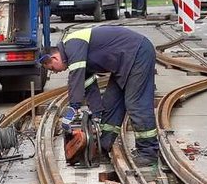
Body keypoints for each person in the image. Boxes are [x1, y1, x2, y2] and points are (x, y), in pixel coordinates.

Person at [39, 25, 159, 167]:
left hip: (138, 53)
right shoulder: (78, 56)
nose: (55, 72)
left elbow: (75, 78)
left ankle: (148, 152)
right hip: (124, 62)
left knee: (136, 103)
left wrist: (73, 107)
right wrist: (96, 113)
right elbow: (89, 86)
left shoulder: (73, 44)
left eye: (52, 68)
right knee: (111, 104)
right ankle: (104, 145)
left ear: (54, 57)